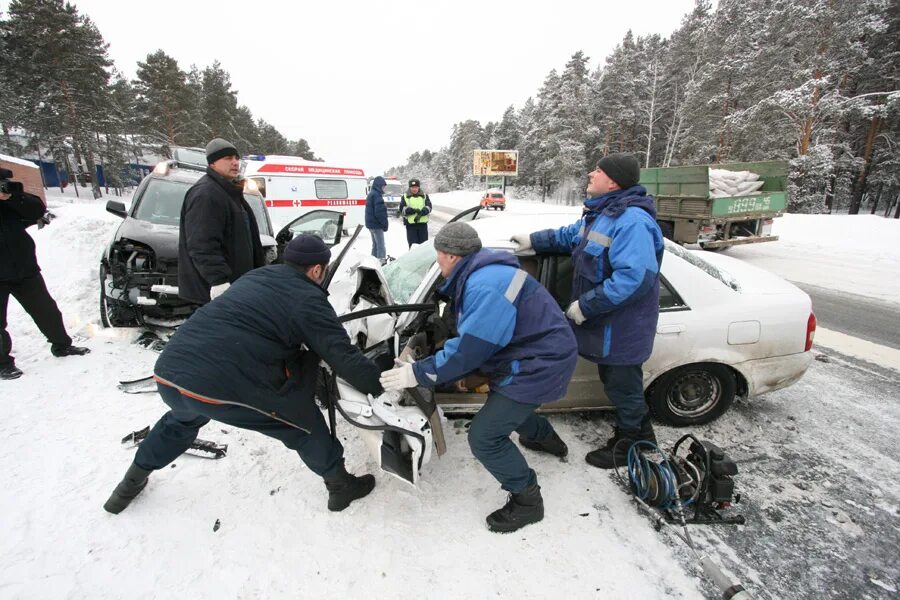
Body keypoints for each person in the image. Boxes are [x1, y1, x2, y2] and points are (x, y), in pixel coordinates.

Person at [104, 235, 384, 515]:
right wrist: (381, 385)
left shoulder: (257, 276)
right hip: (217, 385)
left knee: (181, 418)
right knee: (302, 423)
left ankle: (128, 485)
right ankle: (340, 486)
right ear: (317, 270)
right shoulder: (308, 299)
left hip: (171, 373)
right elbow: (343, 357)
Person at [380, 222, 577, 533]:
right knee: (510, 408)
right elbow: (481, 337)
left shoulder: (484, 286)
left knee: (484, 437)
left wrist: (416, 372)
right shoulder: (482, 273)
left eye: (438, 256)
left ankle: (527, 500)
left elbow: (469, 350)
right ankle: (548, 441)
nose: (437, 262)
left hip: (538, 363)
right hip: (532, 354)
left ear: (452, 256)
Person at [509, 152, 664, 469]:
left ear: (613, 182)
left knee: (623, 388)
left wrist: (586, 306)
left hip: (621, 328)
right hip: (609, 327)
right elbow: (570, 236)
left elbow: (635, 278)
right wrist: (534, 241)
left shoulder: (632, 222)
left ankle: (629, 445)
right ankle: (643, 437)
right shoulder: (605, 215)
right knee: (621, 387)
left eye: (598, 170)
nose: (591, 173)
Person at [0, 171, 88, 380]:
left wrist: (14, 196)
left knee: (47, 311)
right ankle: (3, 363)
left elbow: (37, 209)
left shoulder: (10, 204)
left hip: (25, 270)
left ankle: (62, 346)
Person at [177, 138, 265, 305]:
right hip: (215, 292)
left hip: (236, 286)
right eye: (228, 158)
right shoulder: (207, 194)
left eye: (236, 158)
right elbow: (202, 244)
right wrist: (218, 280)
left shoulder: (229, 192)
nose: (235, 163)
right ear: (212, 164)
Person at [397, 178, 432, 248]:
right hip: (411, 225)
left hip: (423, 224)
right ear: (410, 187)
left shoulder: (424, 196)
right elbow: (401, 209)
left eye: (416, 187)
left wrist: (424, 211)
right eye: (412, 187)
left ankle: (424, 259)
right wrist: (409, 210)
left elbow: (429, 206)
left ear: (419, 187)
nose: (414, 189)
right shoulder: (405, 196)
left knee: (424, 245)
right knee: (413, 246)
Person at [364, 175, 389, 260]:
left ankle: (372, 263)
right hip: (376, 225)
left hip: (371, 225)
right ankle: (381, 264)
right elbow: (379, 213)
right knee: (381, 246)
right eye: (383, 186)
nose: (384, 188)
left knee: (375, 246)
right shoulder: (377, 195)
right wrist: (384, 224)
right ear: (379, 186)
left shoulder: (371, 194)